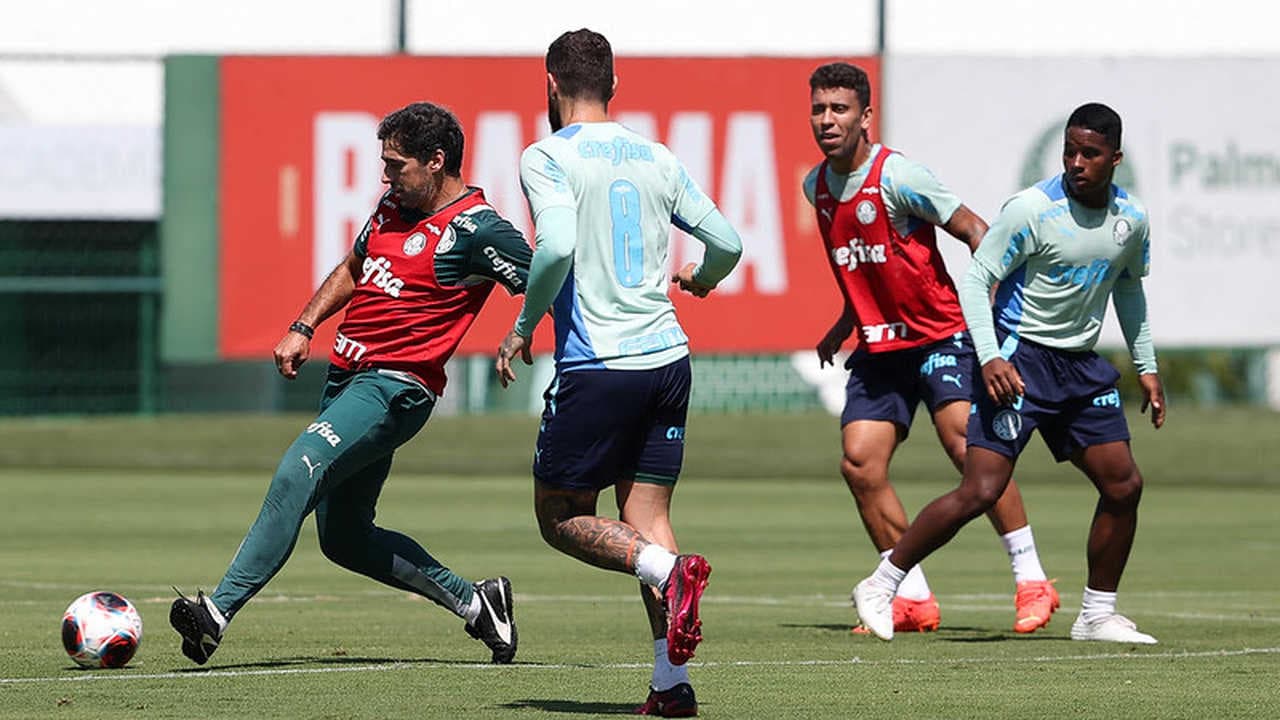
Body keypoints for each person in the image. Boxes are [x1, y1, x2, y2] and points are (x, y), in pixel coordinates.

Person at [169, 102, 532, 666]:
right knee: (342, 538)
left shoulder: (479, 229)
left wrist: (521, 333)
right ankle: (478, 604)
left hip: (396, 385)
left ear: (437, 162)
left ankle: (216, 613)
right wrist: (303, 324)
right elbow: (354, 266)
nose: (385, 176)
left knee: (300, 467)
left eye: (396, 165)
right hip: (347, 377)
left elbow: (547, 277)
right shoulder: (393, 206)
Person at [494, 29, 742, 718]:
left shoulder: (546, 155)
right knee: (647, 515)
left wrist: (521, 327)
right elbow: (727, 242)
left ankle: (673, 573)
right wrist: (702, 278)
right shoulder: (658, 156)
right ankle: (670, 685)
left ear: (550, 85)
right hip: (668, 357)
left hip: (602, 364)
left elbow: (558, 246)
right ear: (614, 86)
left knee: (560, 516)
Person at [854, 102, 1164, 645]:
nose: (1075, 162)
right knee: (980, 489)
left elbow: (1130, 289)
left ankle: (1096, 614)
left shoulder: (1130, 220)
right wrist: (991, 356)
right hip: (1019, 362)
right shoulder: (1030, 210)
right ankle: (882, 584)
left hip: (1079, 369)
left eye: (1089, 154)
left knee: (1124, 484)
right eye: (1069, 150)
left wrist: (1147, 367)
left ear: (1114, 159)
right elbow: (977, 281)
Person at [804, 61, 1059, 634]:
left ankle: (1032, 579)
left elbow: (975, 230)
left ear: (866, 116)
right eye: (819, 109)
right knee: (859, 463)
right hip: (880, 348)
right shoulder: (815, 185)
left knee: (969, 450)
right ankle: (910, 597)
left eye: (839, 109)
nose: (827, 120)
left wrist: (989, 320)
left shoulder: (900, 177)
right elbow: (867, 265)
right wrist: (846, 319)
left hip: (941, 336)